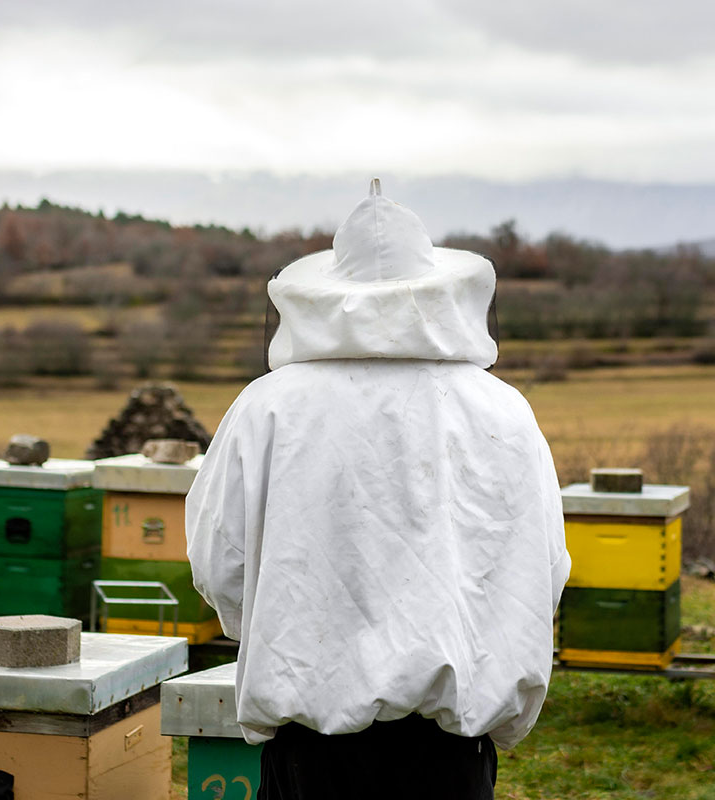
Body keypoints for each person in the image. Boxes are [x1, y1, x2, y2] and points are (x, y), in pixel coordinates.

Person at [186, 180, 571, 800]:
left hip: (311, 750)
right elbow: (541, 572)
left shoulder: (266, 409)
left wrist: (290, 633)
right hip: (450, 758)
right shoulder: (504, 412)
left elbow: (220, 563)